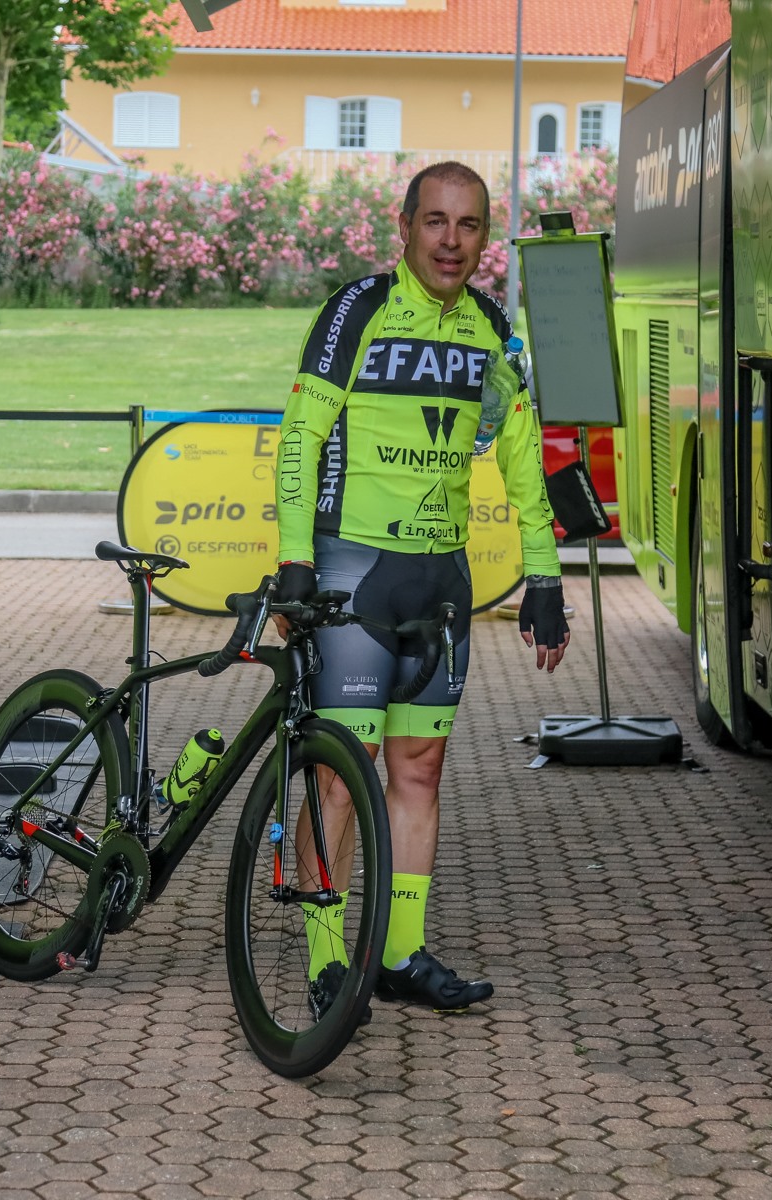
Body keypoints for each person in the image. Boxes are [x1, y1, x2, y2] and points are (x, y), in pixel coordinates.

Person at [275, 161, 571, 1019]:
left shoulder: (487, 326)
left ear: (485, 235)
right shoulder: (357, 309)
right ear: (403, 226)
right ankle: (329, 962)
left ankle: (399, 955)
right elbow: (301, 433)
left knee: (421, 771)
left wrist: (544, 574)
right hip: (351, 571)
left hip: (441, 579)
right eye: (435, 222)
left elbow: (521, 454)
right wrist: (296, 556)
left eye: (469, 225)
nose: (451, 241)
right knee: (341, 775)